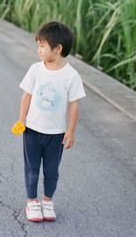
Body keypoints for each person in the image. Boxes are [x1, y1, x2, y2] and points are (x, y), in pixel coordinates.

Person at [17, 21, 86, 222]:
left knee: (51, 170)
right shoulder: (35, 70)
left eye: (42, 46)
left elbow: (73, 105)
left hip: (56, 133)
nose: (38, 50)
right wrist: (21, 120)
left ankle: (47, 201)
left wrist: (70, 130)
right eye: (38, 45)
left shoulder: (71, 76)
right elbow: (26, 96)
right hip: (31, 129)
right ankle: (32, 201)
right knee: (31, 168)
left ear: (57, 49)